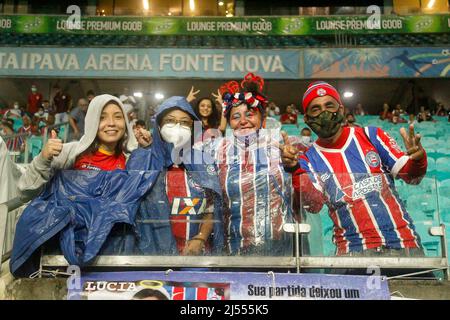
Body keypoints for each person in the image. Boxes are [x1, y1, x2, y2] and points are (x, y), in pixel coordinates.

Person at [281, 81, 428, 267]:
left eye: (329, 105)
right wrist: (294, 169)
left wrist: (418, 158)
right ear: (307, 119)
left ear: (341, 109)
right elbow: (314, 203)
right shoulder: (308, 159)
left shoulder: (372, 136)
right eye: (315, 109)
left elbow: (411, 176)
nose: (324, 112)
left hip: (405, 245)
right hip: (351, 253)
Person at [11, 94, 155, 276]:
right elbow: (25, 191)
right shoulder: (69, 153)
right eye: (102, 117)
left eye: (118, 117)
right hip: (64, 259)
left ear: (126, 122)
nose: (111, 123)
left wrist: (146, 151)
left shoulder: (130, 161)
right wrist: (44, 159)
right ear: (92, 120)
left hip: (112, 257)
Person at [198, 73, 295, 256]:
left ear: (262, 118)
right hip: (233, 248)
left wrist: (292, 166)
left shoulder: (279, 145)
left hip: (281, 250)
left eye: (250, 114)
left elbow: (308, 199)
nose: (243, 121)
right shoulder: (217, 149)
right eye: (236, 116)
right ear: (229, 122)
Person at [127, 96, 224, 256]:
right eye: (170, 121)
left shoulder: (203, 162)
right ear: (158, 126)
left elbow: (210, 209)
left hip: (195, 259)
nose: (178, 127)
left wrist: (201, 237)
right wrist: (146, 151)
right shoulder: (145, 161)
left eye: (185, 122)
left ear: (193, 127)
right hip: (153, 260)